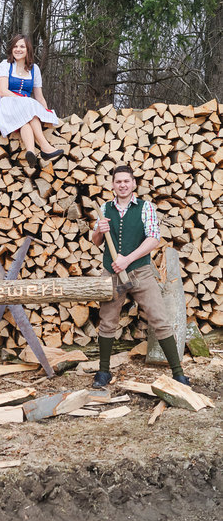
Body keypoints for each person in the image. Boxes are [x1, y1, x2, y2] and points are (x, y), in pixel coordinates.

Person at [91, 164, 190, 389]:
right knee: (107, 322)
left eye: (126, 181)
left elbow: (154, 238)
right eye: (118, 181)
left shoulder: (145, 207)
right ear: (113, 185)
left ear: (133, 183)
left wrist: (128, 259)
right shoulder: (105, 209)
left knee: (160, 320)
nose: (123, 185)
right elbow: (96, 241)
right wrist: (99, 230)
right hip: (112, 274)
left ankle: (178, 373)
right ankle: (103, 372)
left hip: (140, 272)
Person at [0, 34, 64, 168]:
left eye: (22, 46)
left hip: (25, 107)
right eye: (15, 46)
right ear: (11, 49)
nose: (18, 49)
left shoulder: (34, 69)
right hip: (7, 102)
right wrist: (24, 101)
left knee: (26, 121)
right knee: (29, 106)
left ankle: (31, 152)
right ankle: (45, 146)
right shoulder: (6, 65)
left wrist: (45, 111)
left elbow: (39, 96)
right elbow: (3, 91)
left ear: (28, 49)